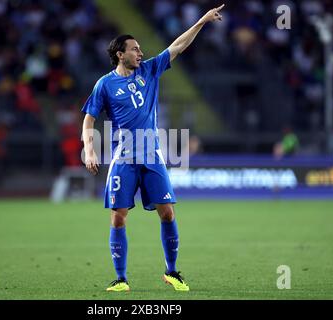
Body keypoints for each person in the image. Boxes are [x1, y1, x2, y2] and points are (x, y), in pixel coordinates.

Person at [81, 4, 225, 292]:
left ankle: (172, 272)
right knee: (118, 216)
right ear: (120, 54)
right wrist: (90, 149)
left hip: (152, 155)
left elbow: (178, 46)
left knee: (168, 212)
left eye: (140, 49)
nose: (140, 53)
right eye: (134, 49)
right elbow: (88, 119)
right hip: (124, 157)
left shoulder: (149, 70)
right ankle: (121, 279)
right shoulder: (105, 85)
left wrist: (202, 21)